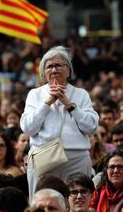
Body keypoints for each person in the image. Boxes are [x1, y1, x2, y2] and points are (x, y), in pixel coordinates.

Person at [20, 46, 99, 198]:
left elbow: (91, 127)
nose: (54, 70)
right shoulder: (35, 94)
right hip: (44, 158)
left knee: (77, 202)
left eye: (58, 65)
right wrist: (48, 102)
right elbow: (28, 128)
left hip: (76, 159)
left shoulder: (81, 94)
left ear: (68, 70)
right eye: (49, 66)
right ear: (44, 73)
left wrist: (69, 104)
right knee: (42, 203)